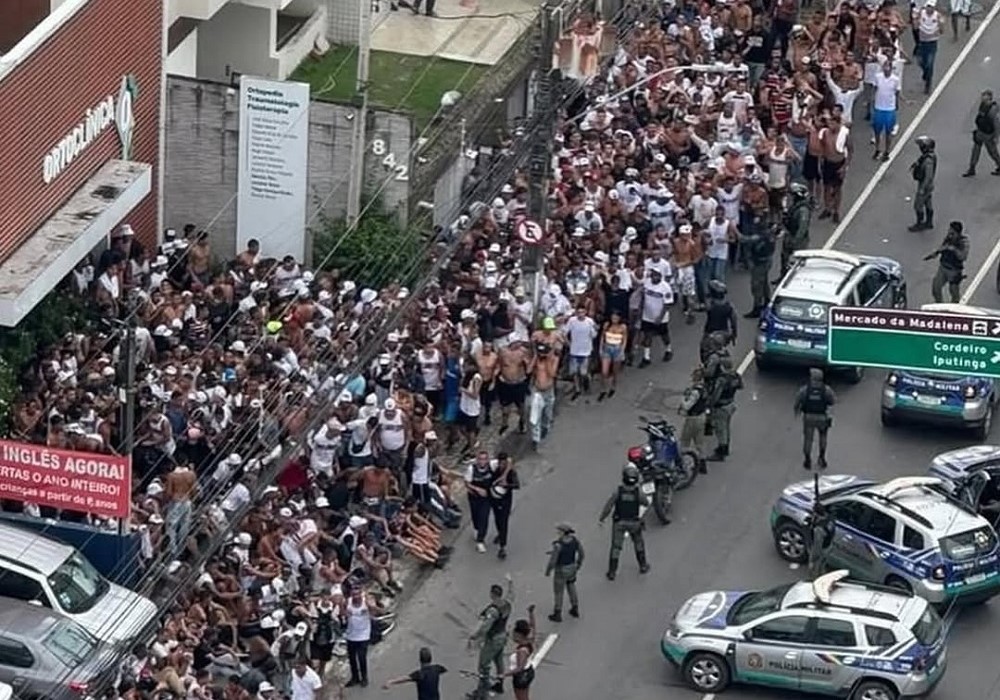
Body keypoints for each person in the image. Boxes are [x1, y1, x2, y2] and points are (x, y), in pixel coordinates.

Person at [597, 463, 650, 581]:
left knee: (616, 547)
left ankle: (612, 572)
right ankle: (643, 566)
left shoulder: (618, 491)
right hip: (634, 523)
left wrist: (602, 518)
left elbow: (609, 506)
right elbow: (646, 503)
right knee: (638, 543)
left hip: (619, 522)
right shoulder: (638, 492)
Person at [468, 577, 514, 699]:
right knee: (499, 661)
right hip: (503, 636)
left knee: (483, 665)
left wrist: (475, 636)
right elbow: (511, 595)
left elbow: (485, 627)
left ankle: (482, 692)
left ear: (492, 594)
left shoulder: (493, 610)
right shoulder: (507, 604)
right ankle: (499, 684)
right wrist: (510, 582)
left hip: (493, 639)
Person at [794, 368, 837, 470]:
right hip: (822, 416)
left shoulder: (805, 389)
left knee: (808, 439)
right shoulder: (826, 389)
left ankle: (807, 460)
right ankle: (822, 457)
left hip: (808, 417)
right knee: (823, 437)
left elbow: (798, 400)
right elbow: (833, 401)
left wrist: (797, 411)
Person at [544, 522, 584, 622]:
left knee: (559, 591)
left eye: (559, 531)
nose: (558, 533)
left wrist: (548, 570)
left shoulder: (558, 545)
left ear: (563, 532)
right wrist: (578, 564)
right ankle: (575, 607)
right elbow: (582, 553)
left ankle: (557, 613)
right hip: (572, 567)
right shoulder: (575, 541)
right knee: (571, 586)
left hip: (561, 570)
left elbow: (553, 561)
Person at [708, 357, 744, 462]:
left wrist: (710, 405)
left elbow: (716, 395)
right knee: (726, 427)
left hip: (721, 407)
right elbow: (741, 386)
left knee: (720, 429)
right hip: (731, 404)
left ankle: (721, 452)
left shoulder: (722, 379)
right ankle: (726, 447)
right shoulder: (735, 376)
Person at [637, 268, 674, 367]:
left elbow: (668, 304)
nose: (654, 277)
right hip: (647, 315)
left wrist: (660, 317)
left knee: (664, 335)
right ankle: (646, 357)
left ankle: (668, 349)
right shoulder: (647, 283)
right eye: (653, 275)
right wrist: (641, 310)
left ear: (660, 276)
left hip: (660, 317)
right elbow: (643, 297)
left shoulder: (665, 287)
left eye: (656, 275)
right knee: (647, 335)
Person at [926, 221, 970, 303]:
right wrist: (936, 252)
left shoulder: (963, 242)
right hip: (943, 267)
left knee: (954, 292)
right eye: (950, 230)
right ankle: (939, 305)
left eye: (952, 232)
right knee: (936, 287)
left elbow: (963, 257)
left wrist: (954, 249)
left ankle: (954, 310)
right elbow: (943, 246)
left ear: (958, 233)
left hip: (954, 270)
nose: (950, 233)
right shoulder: (949, 237)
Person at [741, 216, 776, 319]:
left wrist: (735, 231)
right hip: (767, 260)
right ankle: (767, 300)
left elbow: (744, 239)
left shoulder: (759, 236)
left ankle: (757, 307)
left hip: (759, 263)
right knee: (764, 281)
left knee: (756, 285)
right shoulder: (769, 234)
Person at [678, 367, 710, 475]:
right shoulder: (705, 388)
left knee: (684, 442)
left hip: (693, 419)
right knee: (699, 443)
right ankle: (702, 463)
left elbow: (687, 406)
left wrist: (683, 399)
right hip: (702, 416)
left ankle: (683, 465)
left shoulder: (695, 392)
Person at [382, 647, 448, 699]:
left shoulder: (420, 674)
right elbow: (444, 669)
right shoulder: (436, 668)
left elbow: (405, 678)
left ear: (420, 659)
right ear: (431, 658)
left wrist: (391, 682)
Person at [502, 607, 537, 700]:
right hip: (529, 672)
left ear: (519, 635)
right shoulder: (529, 640)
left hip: (521, 677)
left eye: (514, 632)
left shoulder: (521, 651)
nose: (512, 634)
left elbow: (519, 668)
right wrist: (531, 613)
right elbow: (533, 626)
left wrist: (504, 674)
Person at [489, 452, 519, 560]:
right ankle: (499, 533)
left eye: (504, 462)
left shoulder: (511, 472)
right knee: (497, 519)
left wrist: (507, 485)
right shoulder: (494, 469)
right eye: (500, 462)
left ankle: (503, 546)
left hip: (506, 500)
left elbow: (517, 485)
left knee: (504, 521)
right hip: (495, 498)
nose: (502, 464)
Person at [963, 89, 1000, 177]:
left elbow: (996, 124)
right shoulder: (983, 105)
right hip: (980, 132)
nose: (982, 98)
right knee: (975, 150)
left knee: (992, 151)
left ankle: (999, 164)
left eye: (985, 97)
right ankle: (972, 168)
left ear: (989, 98)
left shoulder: (992, 110)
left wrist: (996, 137)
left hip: (988, 134)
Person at [342, 586, 373, 688]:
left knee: (361, 658)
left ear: (361, 594)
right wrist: (344, 612)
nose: (355, 597)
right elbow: (343, 613)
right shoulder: (348, 602)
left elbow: (379, 611)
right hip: (351, 635)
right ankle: (355, 678)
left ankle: (364, 677)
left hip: (364, 635)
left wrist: (371, 607)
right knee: (352, 659)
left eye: (357, 594)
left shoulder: (366, 602)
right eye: (353, 594)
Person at [779, 182, 812, 278]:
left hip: (798, 239)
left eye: (793, 194)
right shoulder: (795, 206)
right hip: (789, 234)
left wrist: (795, 241)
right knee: (784, 257)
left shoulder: (803, 210)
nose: (791, 196)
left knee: (797, 261)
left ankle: (795, 278)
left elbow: (802, 228)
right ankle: (783, 275)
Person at [465, 451, 494, 553]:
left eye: (484, 459)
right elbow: (467, 483)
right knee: (475, 516)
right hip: (474, 497)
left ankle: (480, 541)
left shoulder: (492, 466)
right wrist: (477, 489)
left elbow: (508, 461)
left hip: (486, 498)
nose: (482, 462)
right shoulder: (471, 469)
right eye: (480, 459)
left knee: (484, 517)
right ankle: (476, 529)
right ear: (477, 460)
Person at [597, 311, 628, 401]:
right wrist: (600, 348)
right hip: (607, 348)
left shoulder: (623, 327)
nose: (614, 319)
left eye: (616, 317)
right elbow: (602, 337)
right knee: (604, 371)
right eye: (613, 317)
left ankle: (613, 386)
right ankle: (603, 389)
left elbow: (624, 339)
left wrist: (622, 351)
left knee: (615, 371)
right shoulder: (607, 325)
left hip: (617, 349)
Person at [909, 135, 937, 232]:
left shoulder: (928, 160)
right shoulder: (927, 157)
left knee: (918, 205)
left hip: (925, 185)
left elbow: (928, 176)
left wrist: (922, 188)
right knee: (928, 202)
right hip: (928, 186)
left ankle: (919, 223)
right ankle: (929, 222)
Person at [702, 281, 737, 353]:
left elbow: (699, 307)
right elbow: (734, 321)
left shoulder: (710, 305)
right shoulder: (729, 306)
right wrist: (734, 334)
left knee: (704, 347)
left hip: (709, 334)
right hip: (724, 334)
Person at [807, 501, 836, 579]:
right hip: (829, 545)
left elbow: (817, 547)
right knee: (823, 564)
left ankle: (816, 579)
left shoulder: (819, 529)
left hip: (822, 550)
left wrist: (812, 560)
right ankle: (823, 573)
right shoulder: (830, 518)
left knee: (816, 568)